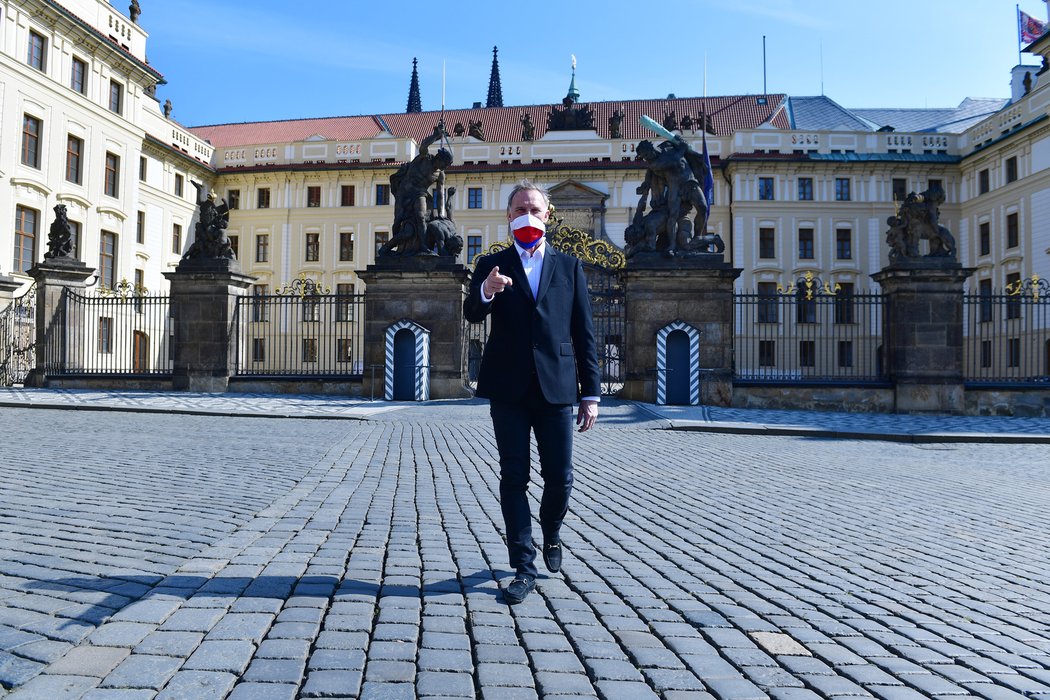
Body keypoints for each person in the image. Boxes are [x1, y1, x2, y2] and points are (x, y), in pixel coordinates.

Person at [463, 181, 600, 605]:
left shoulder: (570, 266)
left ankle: (552, 531)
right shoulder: (491, 262)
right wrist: (487, 290)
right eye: (519, 208)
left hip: (557, 385)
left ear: (547, 214)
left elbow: (584, 332)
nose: (527, 214)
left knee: (560, 477)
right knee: (513, 477)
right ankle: (524, 566)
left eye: (534, 208)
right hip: (508, 385)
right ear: (508, 216)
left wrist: (590, 392)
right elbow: (471, 314)